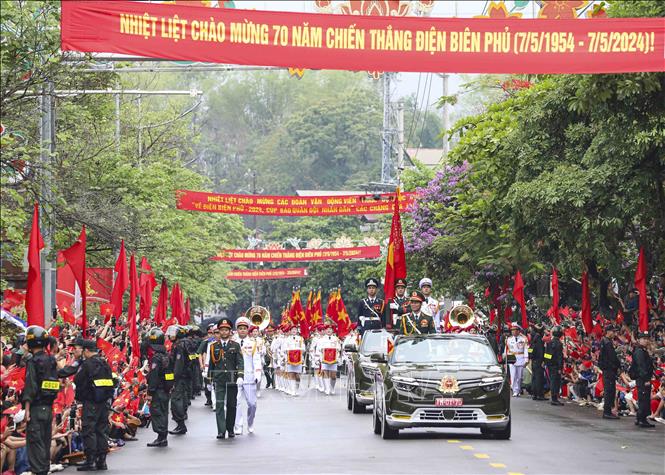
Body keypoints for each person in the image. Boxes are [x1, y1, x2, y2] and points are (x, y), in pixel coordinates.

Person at [22, 326, 59, 475]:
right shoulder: (51, 360)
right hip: (49, 408)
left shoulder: (33, 361)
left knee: (36, 446)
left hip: (36, 409)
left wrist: (27, 410)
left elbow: (30, 386)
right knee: (44, 442)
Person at [74, 339, 113, 471]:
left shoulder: (87, 365)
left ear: (85, 350)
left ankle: (90, 460)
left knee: (89, 430)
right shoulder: (104, 363)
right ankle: (102, 461)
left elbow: (78, 380)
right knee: (101, 431)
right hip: (104, 403)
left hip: (91, 402)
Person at [207, 318, 243, 439]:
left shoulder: (236, 346)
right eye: (221, 330)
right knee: (220, 405)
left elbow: (240, 362)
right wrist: (209, 380)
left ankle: (230, 429)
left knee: (232, 405)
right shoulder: (213, 346)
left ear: (230, 331)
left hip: (232, 378)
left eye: (226, 330)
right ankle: (221, 430)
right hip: (219, 378)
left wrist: (240, 376)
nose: (223, 332)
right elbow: (211, 363)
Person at [232, 317, 262, 435]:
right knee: (237, 402)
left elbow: (257, 360)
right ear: (237, 330)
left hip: (249, 377)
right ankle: (238, 425)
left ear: (247, 329)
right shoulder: (232, 343)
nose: (242, 330)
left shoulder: (253, 344)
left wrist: (258, 374)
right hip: (235, 377)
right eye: (240, 328)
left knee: (252, 403)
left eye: (244, 328)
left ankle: (250, 422)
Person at [146, 328, 173, 447]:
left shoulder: (156, 358)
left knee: (157, 412)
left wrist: (150, 393)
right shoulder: (167, 355)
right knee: (163, 412)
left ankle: (161, 437)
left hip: (158, 390)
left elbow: (154, 377)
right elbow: (170, 374)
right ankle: (163, 437)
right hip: (166, 390)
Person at [168, 325, 190, 436]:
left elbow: (178, 364)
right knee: (178, 399)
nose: (170, 335)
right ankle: (180, 425)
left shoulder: (179, 346)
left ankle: (181, 425)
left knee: (176, 401)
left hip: (179, 378)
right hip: (181, 377)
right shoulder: (178, 344)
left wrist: (173, 379)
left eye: (173, 333)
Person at [631, 332, 655, 428]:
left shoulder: (642, 350)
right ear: (639, 340)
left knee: (643, 398)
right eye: (643, 339)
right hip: (642, 379)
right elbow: (642, 367)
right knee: (643, 399)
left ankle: (639, 418)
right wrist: (646, 379)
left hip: (642, 378)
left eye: (647, 339)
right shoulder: (639, 351)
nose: (646, 340)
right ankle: (642, 419)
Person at [598, 324, 621, 419]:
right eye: (613, 331)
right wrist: (618, 366)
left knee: (609, 390)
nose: (614, 333)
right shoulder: (607, 343)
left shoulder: (604, 341)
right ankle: (607, 412)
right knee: (609, 390)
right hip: (609, 369)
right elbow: (612, 358)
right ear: (608, 331)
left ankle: (607, 411)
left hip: (606, 369)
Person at [315, 322, 341, 395]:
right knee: (325, 373)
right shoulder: (321, 340)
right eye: (327, 329)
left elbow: (339, 349)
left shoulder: (336, 339)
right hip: (324, 359)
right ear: (325, 330)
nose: (329, 330)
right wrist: (318, 359)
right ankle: (327, 388)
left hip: (334, 359)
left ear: (332, 330)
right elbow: (318, 350)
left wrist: (338, 358)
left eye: (330, 329)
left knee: (333, 375)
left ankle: (332, 387)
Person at [505, 323, 529, 397]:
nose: (513, 331)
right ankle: (515, 390)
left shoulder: (523, 339)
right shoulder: (508, 339)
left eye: (515, 330)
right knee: (513, 375)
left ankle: (518, 389)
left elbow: (525, 349)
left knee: (519, 376)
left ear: (518, 331)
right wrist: (505, 359)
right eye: (512, 330)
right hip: (512, 359)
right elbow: (506, 349)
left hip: (521, 358)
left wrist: (526, 359)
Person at [283, 325, 306, 396]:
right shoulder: (287, 339)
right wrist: (288, 353)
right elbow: (284, 349)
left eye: (295, 329)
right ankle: (293, 390)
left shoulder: (301, 338)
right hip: (290, 359)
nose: (294, 331)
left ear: (297, 331)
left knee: (297, 376)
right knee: (291, 374)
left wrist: (298, 352)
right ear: (290, 331)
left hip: (298, 359)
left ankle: (296, 388)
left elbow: (303, 348)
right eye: (292, 329)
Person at [197, 324, 216, 407]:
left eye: (213, 332)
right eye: (210, 332)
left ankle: (214, 400)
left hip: (216, 366)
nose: (211, 334)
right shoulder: (205, 342)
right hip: (207, 365)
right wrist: (201, 364)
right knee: (208, 384)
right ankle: (209, 399)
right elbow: (200, 354)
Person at [545, 326, 564, 406]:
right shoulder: (559, 344)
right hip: (556, 366)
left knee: (552, 381)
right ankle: (554, 399)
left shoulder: (549, 342)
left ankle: (554, 398)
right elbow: (559, 357)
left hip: (550, 365)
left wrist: (546, 362)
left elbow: (546, 354)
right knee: (555, 382)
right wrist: (560, 367)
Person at [530, 323, 546, 400]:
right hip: (539, 361)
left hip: (534, 360)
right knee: (539, 378)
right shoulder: (539, 338)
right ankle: (540, 395)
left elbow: (530, 350)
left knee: (534, 377)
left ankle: (534, 394)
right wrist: (544, 360)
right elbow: (541, 352)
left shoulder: (533, 338)